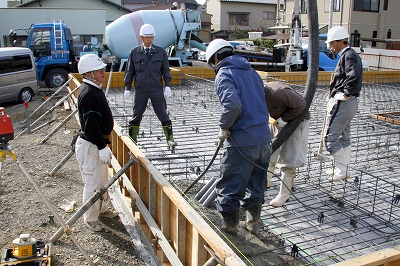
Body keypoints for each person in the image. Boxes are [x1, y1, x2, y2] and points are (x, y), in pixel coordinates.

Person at [206, 39, 272, 235]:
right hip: (263, 140)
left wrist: (224, 127)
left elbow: (232, 105)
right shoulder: (252, 72)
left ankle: (230, 228)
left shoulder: (224, 74)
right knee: (256, 185)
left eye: (212, 64)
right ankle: (253, 225)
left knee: (230, 186)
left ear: (216, 58)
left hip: (242, 142)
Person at [75, 54, 118, 232]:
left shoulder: (94, 89)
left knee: (101, 180)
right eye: (99, 70)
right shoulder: (89, 94)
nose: (103, 72)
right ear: (89, 73)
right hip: (91, 145)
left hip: (95, 144)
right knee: (93, 183)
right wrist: (101, 146)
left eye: (103, 69)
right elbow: (91, 125)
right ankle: (90, 218)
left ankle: (101, 210)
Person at [124, 23, 177, 147]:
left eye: (151, 37)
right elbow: (129, 71)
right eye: (147, 37)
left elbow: (165, 70)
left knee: (163, 114)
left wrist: (167, 85)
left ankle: (170, 138)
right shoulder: (134, 53)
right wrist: (127, 87)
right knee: (136, 115)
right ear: (141, 38)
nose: (149, 40)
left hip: (156, 89)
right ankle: (132, 140)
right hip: (141, 90)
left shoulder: (160, 52)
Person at [324, 26, 363, 182]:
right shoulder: (351, 55)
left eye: (332, 43)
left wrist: (344, 93)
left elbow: (354, 76)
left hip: (345, 102)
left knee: (330, 139)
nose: (330, 47)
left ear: (341, 41)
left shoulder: (348, 56)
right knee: (345, 137)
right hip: (351, 102)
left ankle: (342, 170)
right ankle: (343, 170)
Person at [264, 82, 310, 207]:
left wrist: (284, 120)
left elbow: (302, 104)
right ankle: (265, 181)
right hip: (277, 121)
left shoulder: (278, 92)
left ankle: (284, 195)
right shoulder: (257, 94)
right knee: (270, 150)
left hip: (295, 122)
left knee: (288, 159)